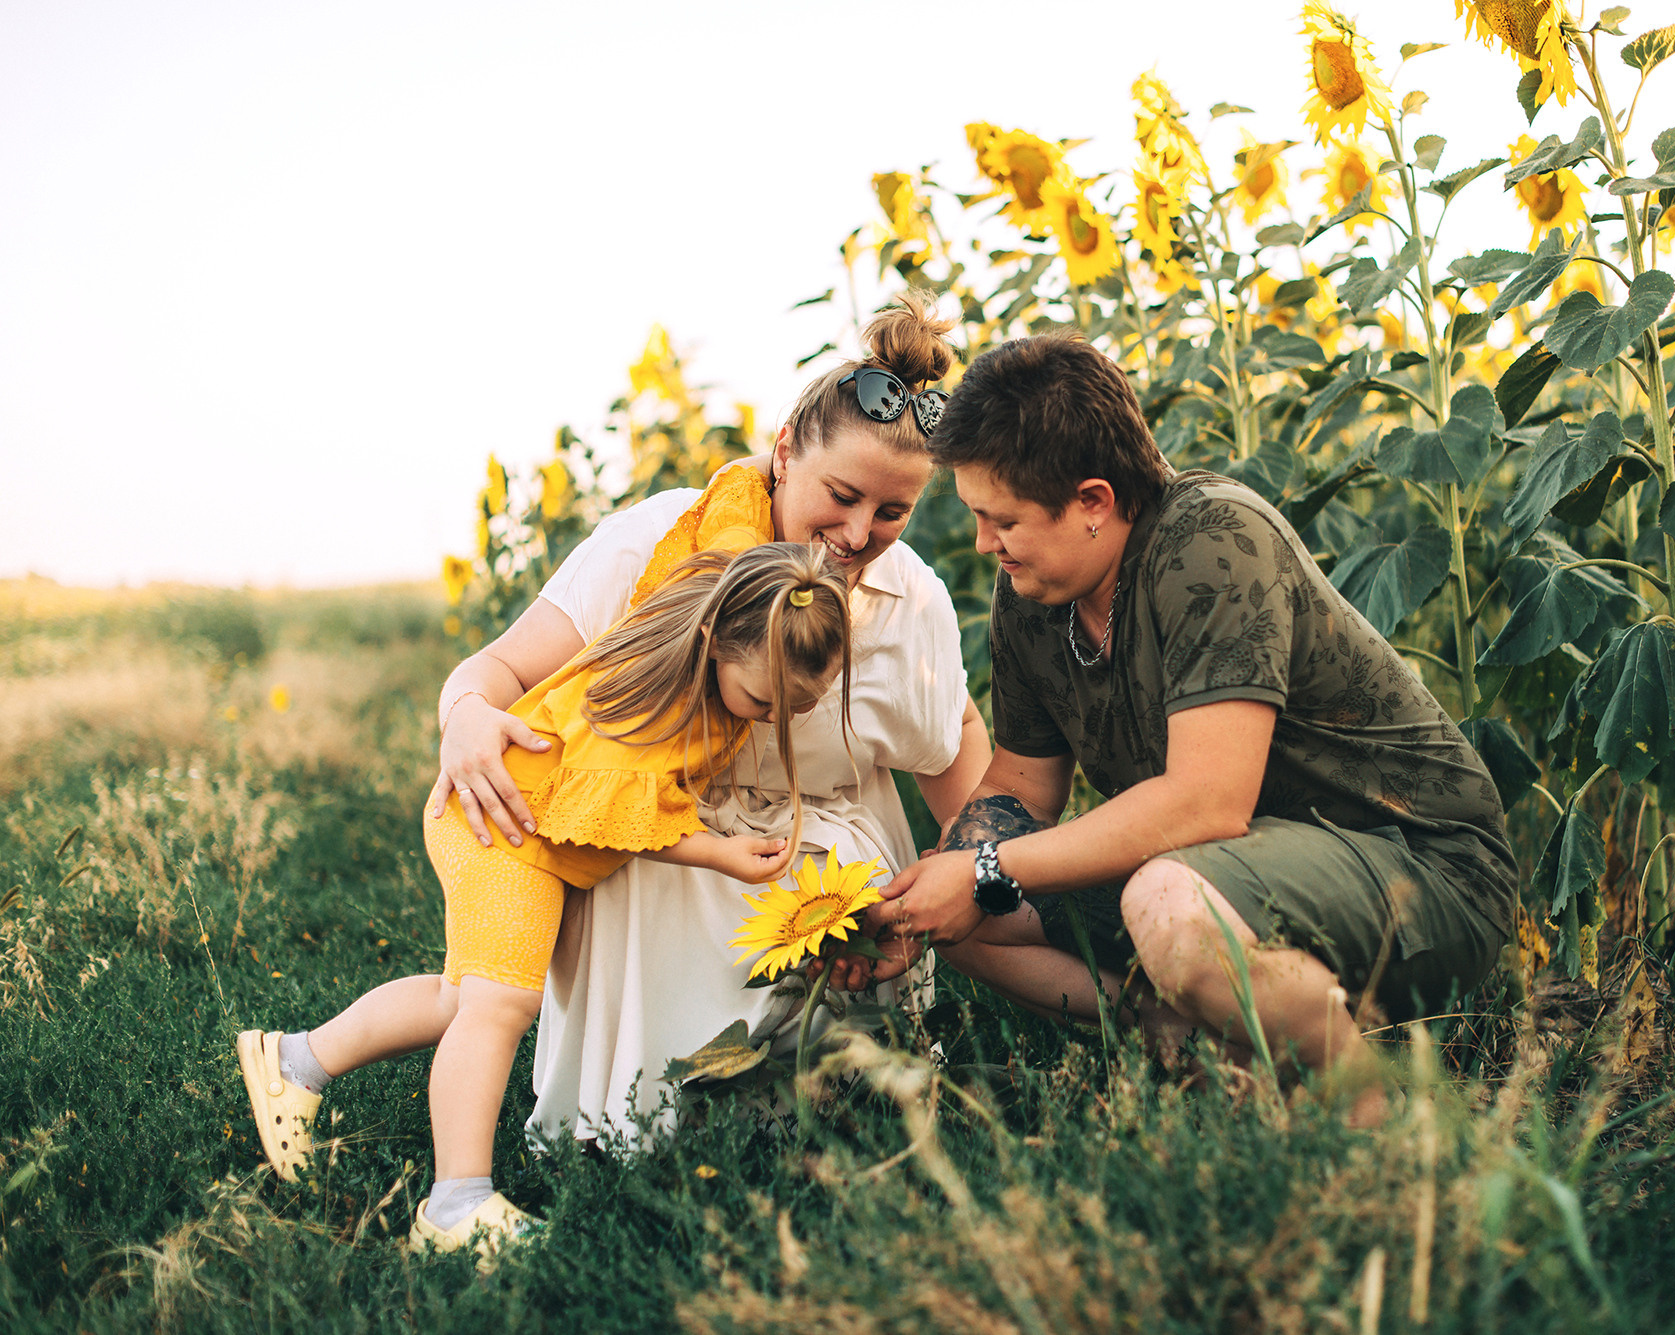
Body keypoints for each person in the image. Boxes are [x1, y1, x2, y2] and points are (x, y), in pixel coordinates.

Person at [847, 330, 1518, 1088]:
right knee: (968, 913)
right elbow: (1022, 785)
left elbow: (1209, 802)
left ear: (1093, 502)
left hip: (1416, 867)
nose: (982, 543)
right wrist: (937, 885)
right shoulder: (1032, 589)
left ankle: (1366, 1116)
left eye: (1003, 520)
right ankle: (1194, 1043)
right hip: (1220, 873)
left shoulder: (1212, 539)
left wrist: (984, 869)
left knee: (1160, 902)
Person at [436, 294, 987, 1152]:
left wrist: (949, 890)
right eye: (842, 496)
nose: (856, 534)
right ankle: (640, 1120)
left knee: (839, 1099)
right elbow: (497, 670)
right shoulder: (663, 544)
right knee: (651, 1069)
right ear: (784, 452)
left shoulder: (907, 597)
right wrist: (466, 716)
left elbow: (967, 778)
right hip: (661, 840)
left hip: (824, 867)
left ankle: (821, 1090)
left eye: (892, 513)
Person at [237, 542, 852, 1262]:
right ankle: (455, 1203)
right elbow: (615, 811)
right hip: (503, 825)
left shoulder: (714, 674)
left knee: (459, 998)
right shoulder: (653, 697)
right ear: (717, 639)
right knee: (500, 1005)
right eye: (765, 701)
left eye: (797, 706)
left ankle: (297, 1062)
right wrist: (718, 851)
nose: (774, 716)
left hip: (515, 827)